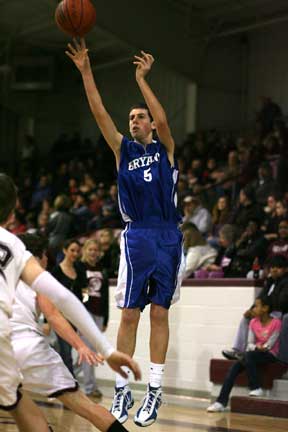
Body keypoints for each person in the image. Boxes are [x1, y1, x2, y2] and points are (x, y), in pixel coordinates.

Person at [66, 38, 184, 427]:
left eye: (139, 117)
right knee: (130, 315)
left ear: (150, 122)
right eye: (131, 118)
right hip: (137, 237)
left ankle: (154, 390)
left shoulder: (165, 147)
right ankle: (121, 390)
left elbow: (165, 121)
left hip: (168, 235)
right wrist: (86, 72)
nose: (134, 122)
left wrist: (142, 80)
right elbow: (100, 113)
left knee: (161, 313)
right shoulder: (123, 151)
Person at [0, 173, 141, 432]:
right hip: (23, 345)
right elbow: (59, 305)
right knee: (81, 405)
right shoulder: (15, 250)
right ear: (10, 215)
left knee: (18, 403)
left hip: (8, 348)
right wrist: (104, 349)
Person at [10, 233, 127, 432]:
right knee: (85, 406)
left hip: (4, 349)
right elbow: (54, 315)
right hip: (31, 344)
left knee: (18, 404)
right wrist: (80, 345)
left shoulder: (5, 276)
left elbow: (81, 296)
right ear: (39, 256)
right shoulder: (42, 276)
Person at [207, 296, 282, 412]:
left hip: (270, 354)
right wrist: (256, 347)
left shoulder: (276, 323)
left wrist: (262, 347)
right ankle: (220, 402)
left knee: (247, 355)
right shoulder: (253, 322)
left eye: (256, 306)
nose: (253, 309)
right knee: (234, 368)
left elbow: (271, 344)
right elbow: (250, 343)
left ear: (265, 308)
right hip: (254, 353)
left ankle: (255, 386)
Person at [222, 255, 288, 361]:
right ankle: (239, 351)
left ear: (285, 269)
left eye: (278, 267)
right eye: (272, 267)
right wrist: (252, 310)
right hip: (266, 311)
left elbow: (282, 302)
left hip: (278, 312)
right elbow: (260, 298)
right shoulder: (270, 281)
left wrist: (263, 309)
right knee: (246, 318)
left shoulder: (285, 282)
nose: (274, 270)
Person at [51, 238, 87, 375]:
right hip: (60, 316)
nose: (75, 253)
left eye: (77, 251)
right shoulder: (56, 271)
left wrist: (84, 306)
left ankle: (64, 379)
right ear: (65, 251)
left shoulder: (80, 269)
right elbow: (50, 295)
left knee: (74, 350)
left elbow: (85, 291)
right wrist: (49, 321)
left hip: (75, 317)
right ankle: (70, 383)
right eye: (72, 250)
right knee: (66, 352)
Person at [80, 238, 110, 398]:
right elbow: (81, 291)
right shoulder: (80, 268)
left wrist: (105, 319)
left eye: (95, 250)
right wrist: (82, 310)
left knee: (88, 351)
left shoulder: (102, 270)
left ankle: (71, 379)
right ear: (85, 250)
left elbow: (106, 296)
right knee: (88, 351)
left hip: (99, 314)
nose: (93, 253)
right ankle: (90, 387)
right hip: (85, 313)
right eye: (90, 249)